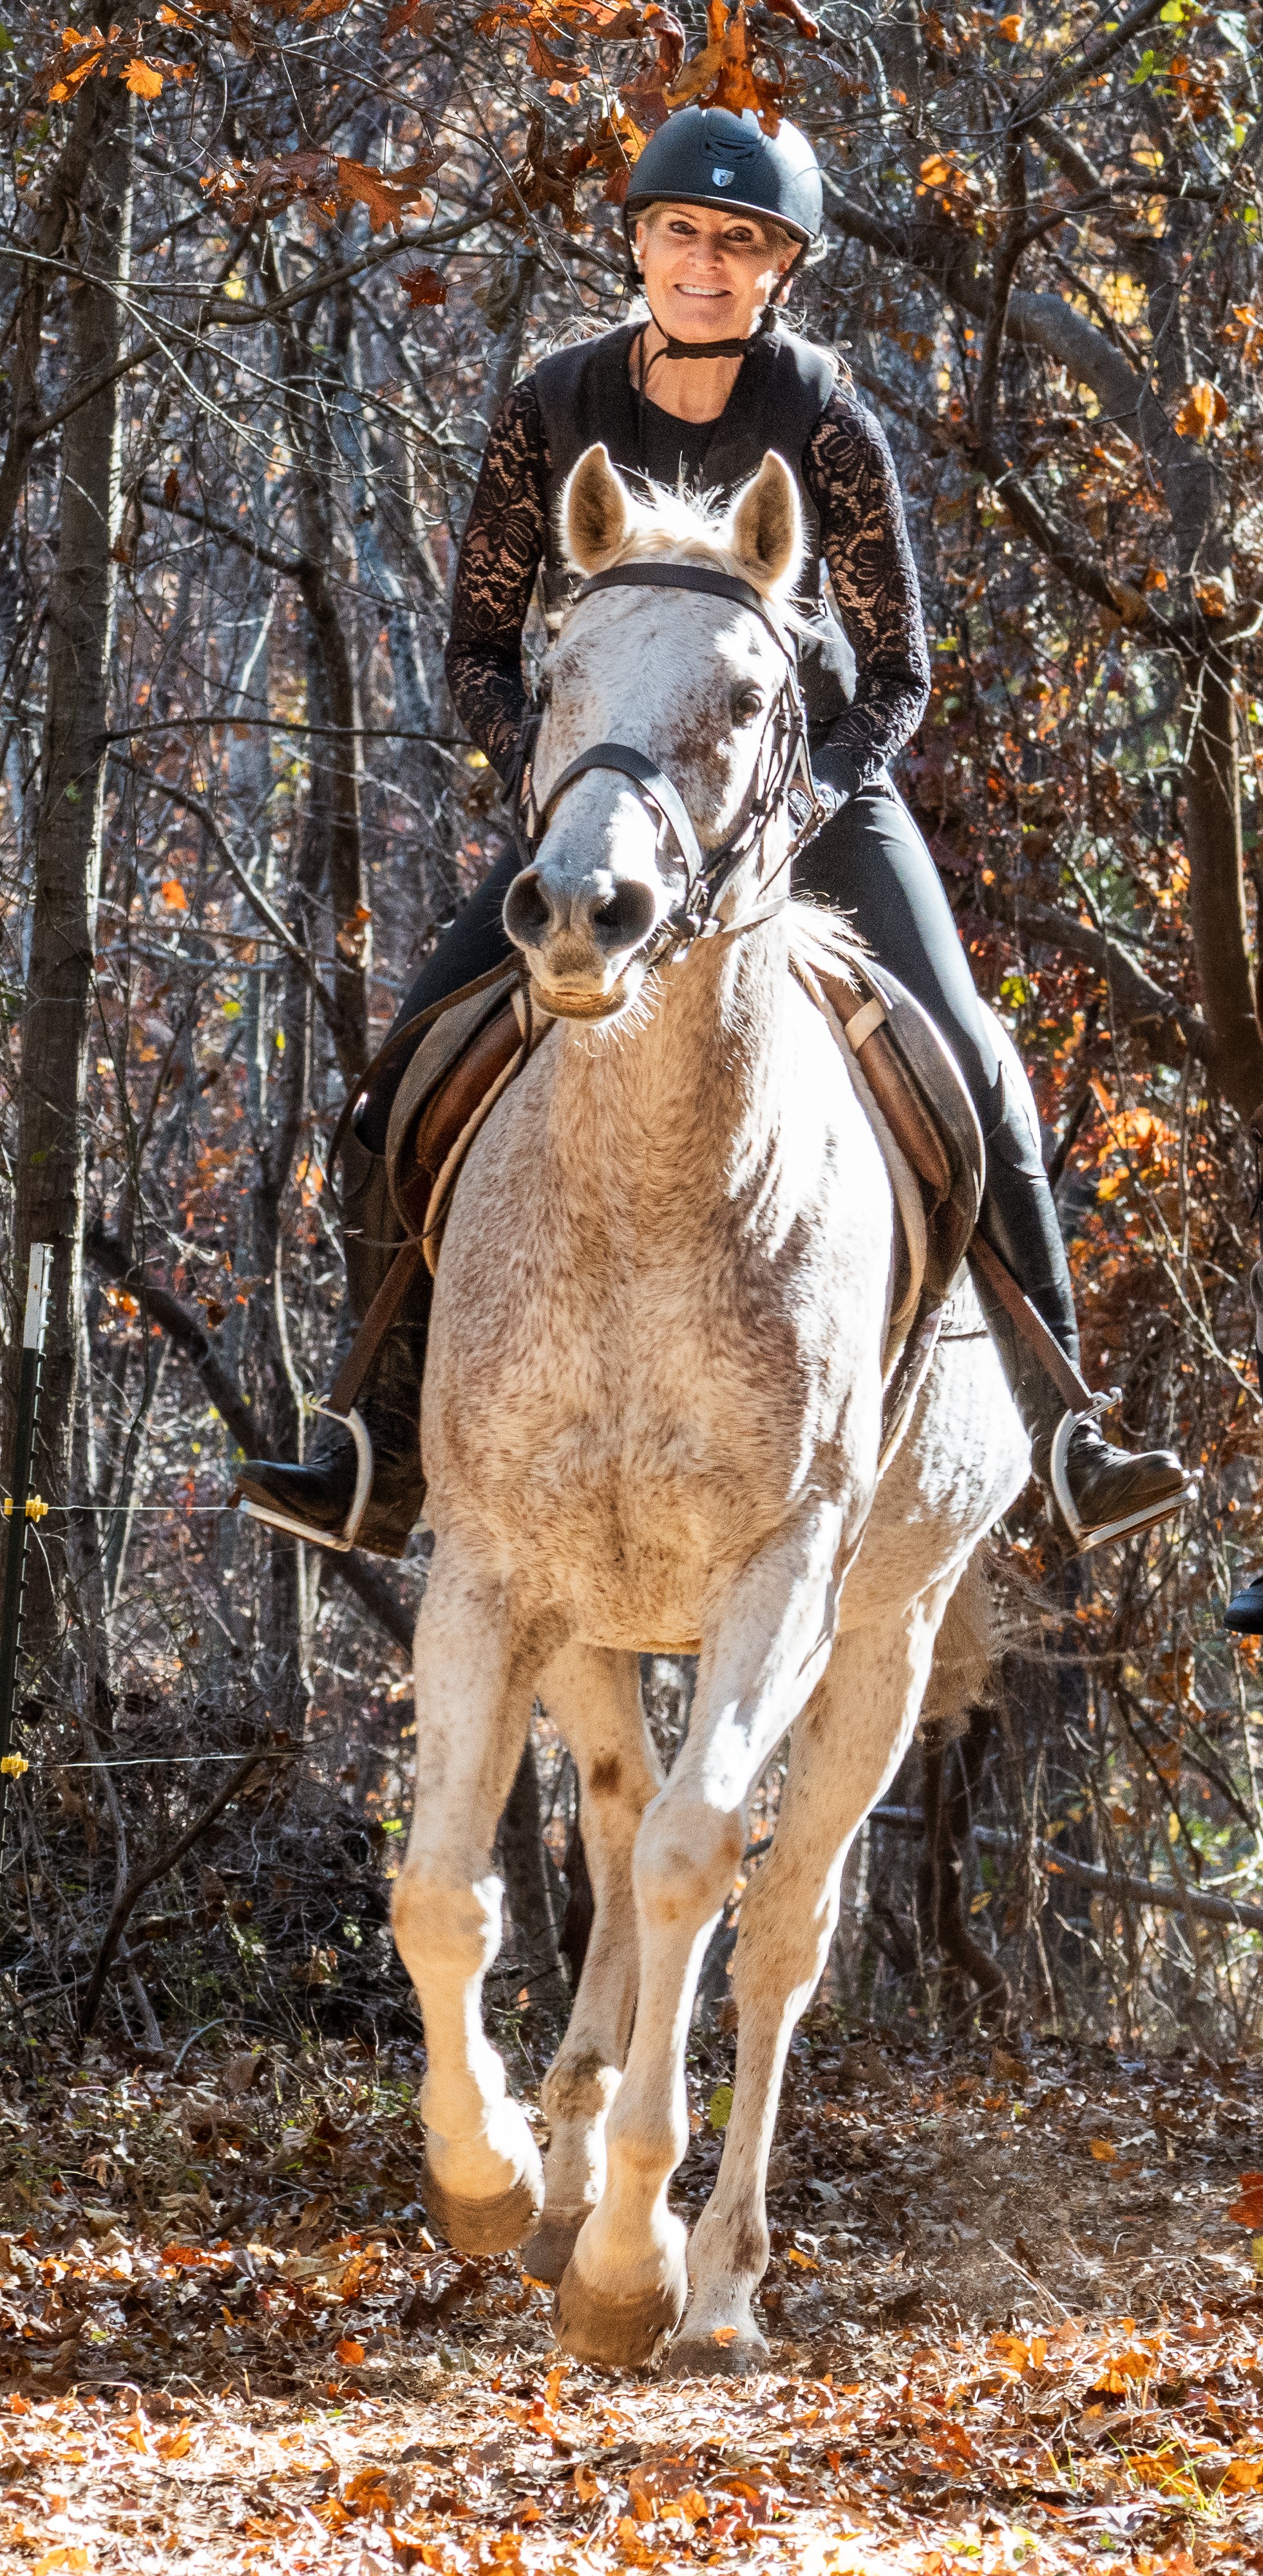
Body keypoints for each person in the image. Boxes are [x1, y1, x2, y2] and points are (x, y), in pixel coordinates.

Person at [237, 104, 1191, 1562]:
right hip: (617, 803)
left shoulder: (826, 415)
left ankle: (1070, 1436)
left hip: (806, 788)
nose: (705, 260)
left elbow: (902, 671)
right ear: (638, 243)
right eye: (681, 230)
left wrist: (805, 799)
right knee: (398, 1082)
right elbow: (481, 651)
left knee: (971, 1054)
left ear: (778, 269)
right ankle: (371, 1444)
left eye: (740, 242)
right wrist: (561, 786)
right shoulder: (551, 405)